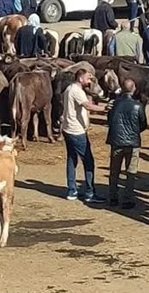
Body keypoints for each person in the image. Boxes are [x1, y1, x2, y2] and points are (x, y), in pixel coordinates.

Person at [61, 68, 107, 203]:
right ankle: (90, 192)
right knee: (88, 161)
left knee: (71, 158)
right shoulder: (76, 91)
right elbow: (88, 106)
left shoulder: (69, 88)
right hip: (76, 131)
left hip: (67, 128)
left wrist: (92, 81)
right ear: (80, 79)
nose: (89, 81)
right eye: (87, 78)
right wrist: (105, 108)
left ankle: (72, 190)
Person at [106, 78, 147, 209]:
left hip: (116, 141)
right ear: (133, 88)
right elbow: (143, 124)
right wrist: (135, 132)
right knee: (131, 172)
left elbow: (110, 121)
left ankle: (113, 196)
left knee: (114, 170)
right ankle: (128, 198)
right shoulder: (138, 106)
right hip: (132, 142)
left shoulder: (114, 104)